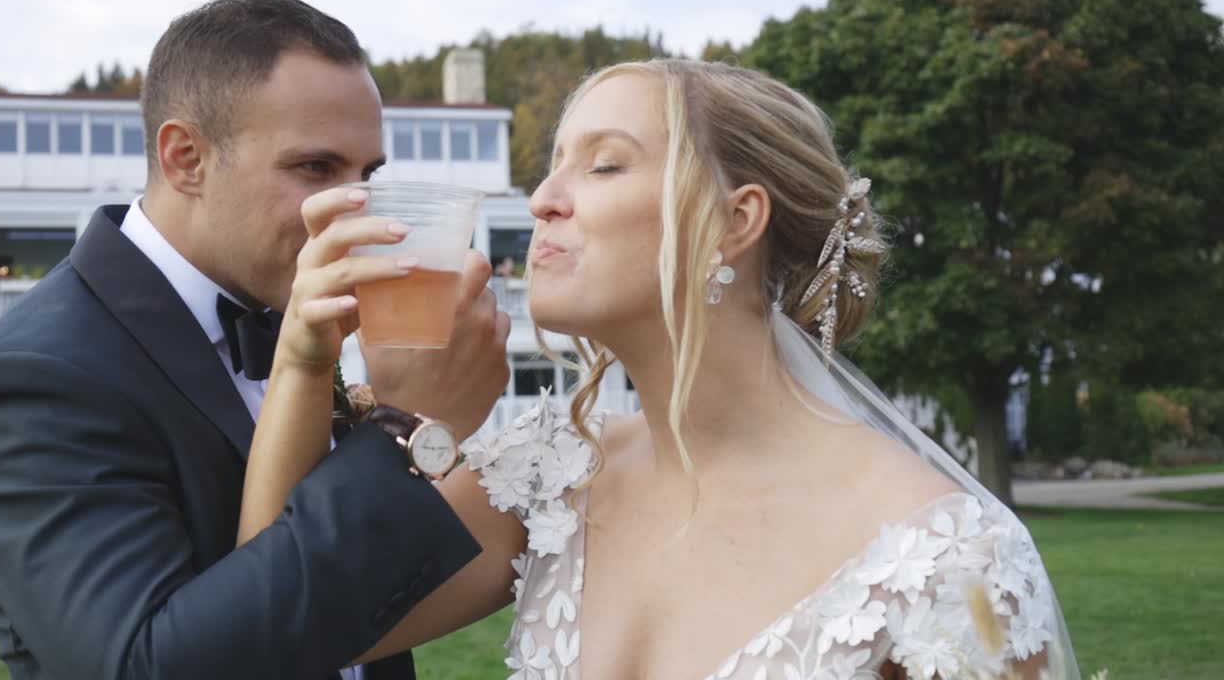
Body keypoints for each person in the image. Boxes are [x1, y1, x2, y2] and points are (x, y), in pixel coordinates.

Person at [243, 59, 1081, 679]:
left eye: (603, 164)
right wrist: (305, 361)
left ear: (734, 222)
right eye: (553, 162)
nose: (542, 199)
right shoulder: (551, 478)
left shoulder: (941, 554)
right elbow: (265, 629)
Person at [0, 0, 510, 680]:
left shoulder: (291, 309)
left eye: (367, 174)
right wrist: (402, 430)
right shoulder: (40, 374)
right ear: (186, 158)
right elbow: (146, 667)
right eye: (315, 168)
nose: (353, 205)